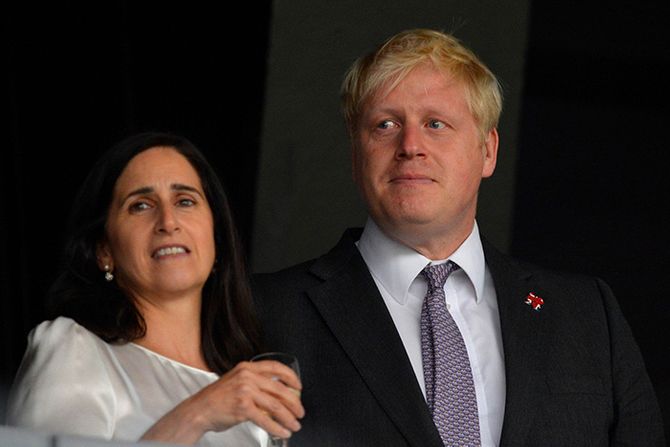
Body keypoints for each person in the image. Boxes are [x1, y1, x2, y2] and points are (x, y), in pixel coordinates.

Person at [251, 28, 666, 446]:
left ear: (488, 151)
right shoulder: (261, 313)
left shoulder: (588, 316)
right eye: (385, 124)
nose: (410, 145)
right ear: (355, 155)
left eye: (436, 123)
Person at [5, 131, 304, 446]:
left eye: (185, 201)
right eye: (140, 205)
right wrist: (197, 415)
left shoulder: (244, 384)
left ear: (215, 237)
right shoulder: (74, 349)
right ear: (104, 251)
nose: (168, 221)